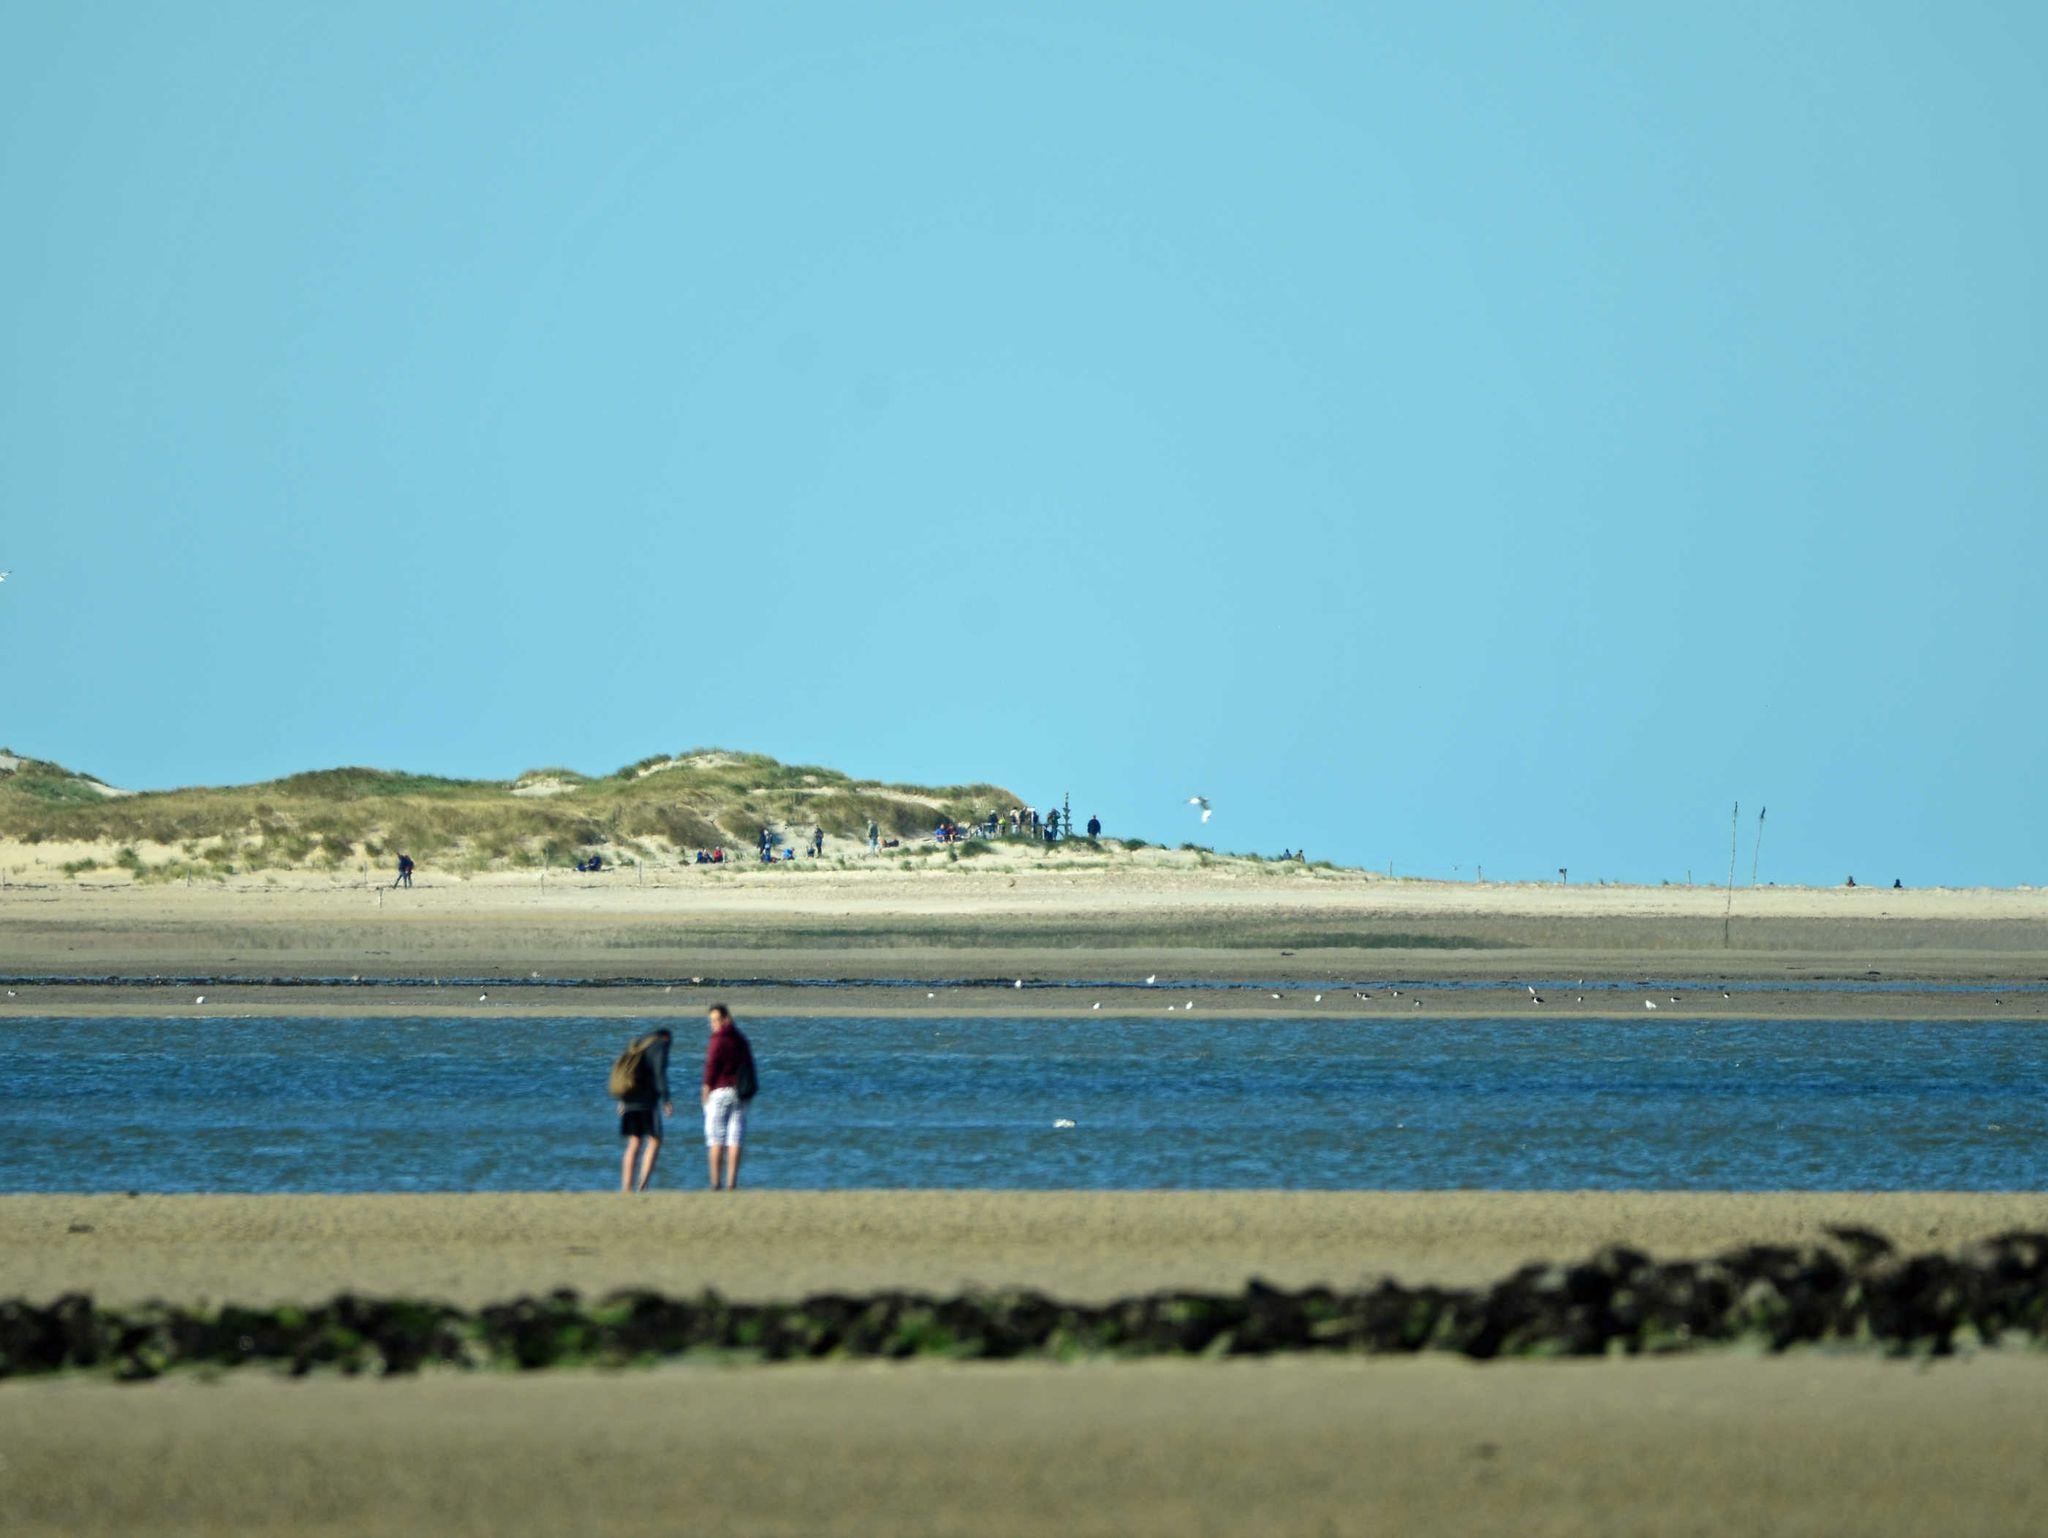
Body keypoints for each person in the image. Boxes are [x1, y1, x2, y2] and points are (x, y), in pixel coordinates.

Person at [701, 1004, 755, 1190]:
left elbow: (711, 1065)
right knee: (734, 1138)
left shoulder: (718, 1039)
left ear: (725, 1019)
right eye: (711, 1021)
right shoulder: (741, 1038)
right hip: (739, 1093)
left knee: (716, 1138)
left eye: (716, 1020)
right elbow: (749, 1065)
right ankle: (731, 1183)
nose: (713, 1024)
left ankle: (716, 1183)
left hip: (720, 1091)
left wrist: (706, 1087)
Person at [614, 1028, 673, 1193]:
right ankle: (642, 1186)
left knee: (634, 1142)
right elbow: (659, 1072)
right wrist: (666, 1099)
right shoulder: (660, 1045)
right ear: (666, 1038)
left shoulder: (638, 1045)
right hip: (646, 1101)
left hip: (628, 1097)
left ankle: (626, 1188)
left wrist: (622, 1100)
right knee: (655, 1140)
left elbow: (625, 1072)